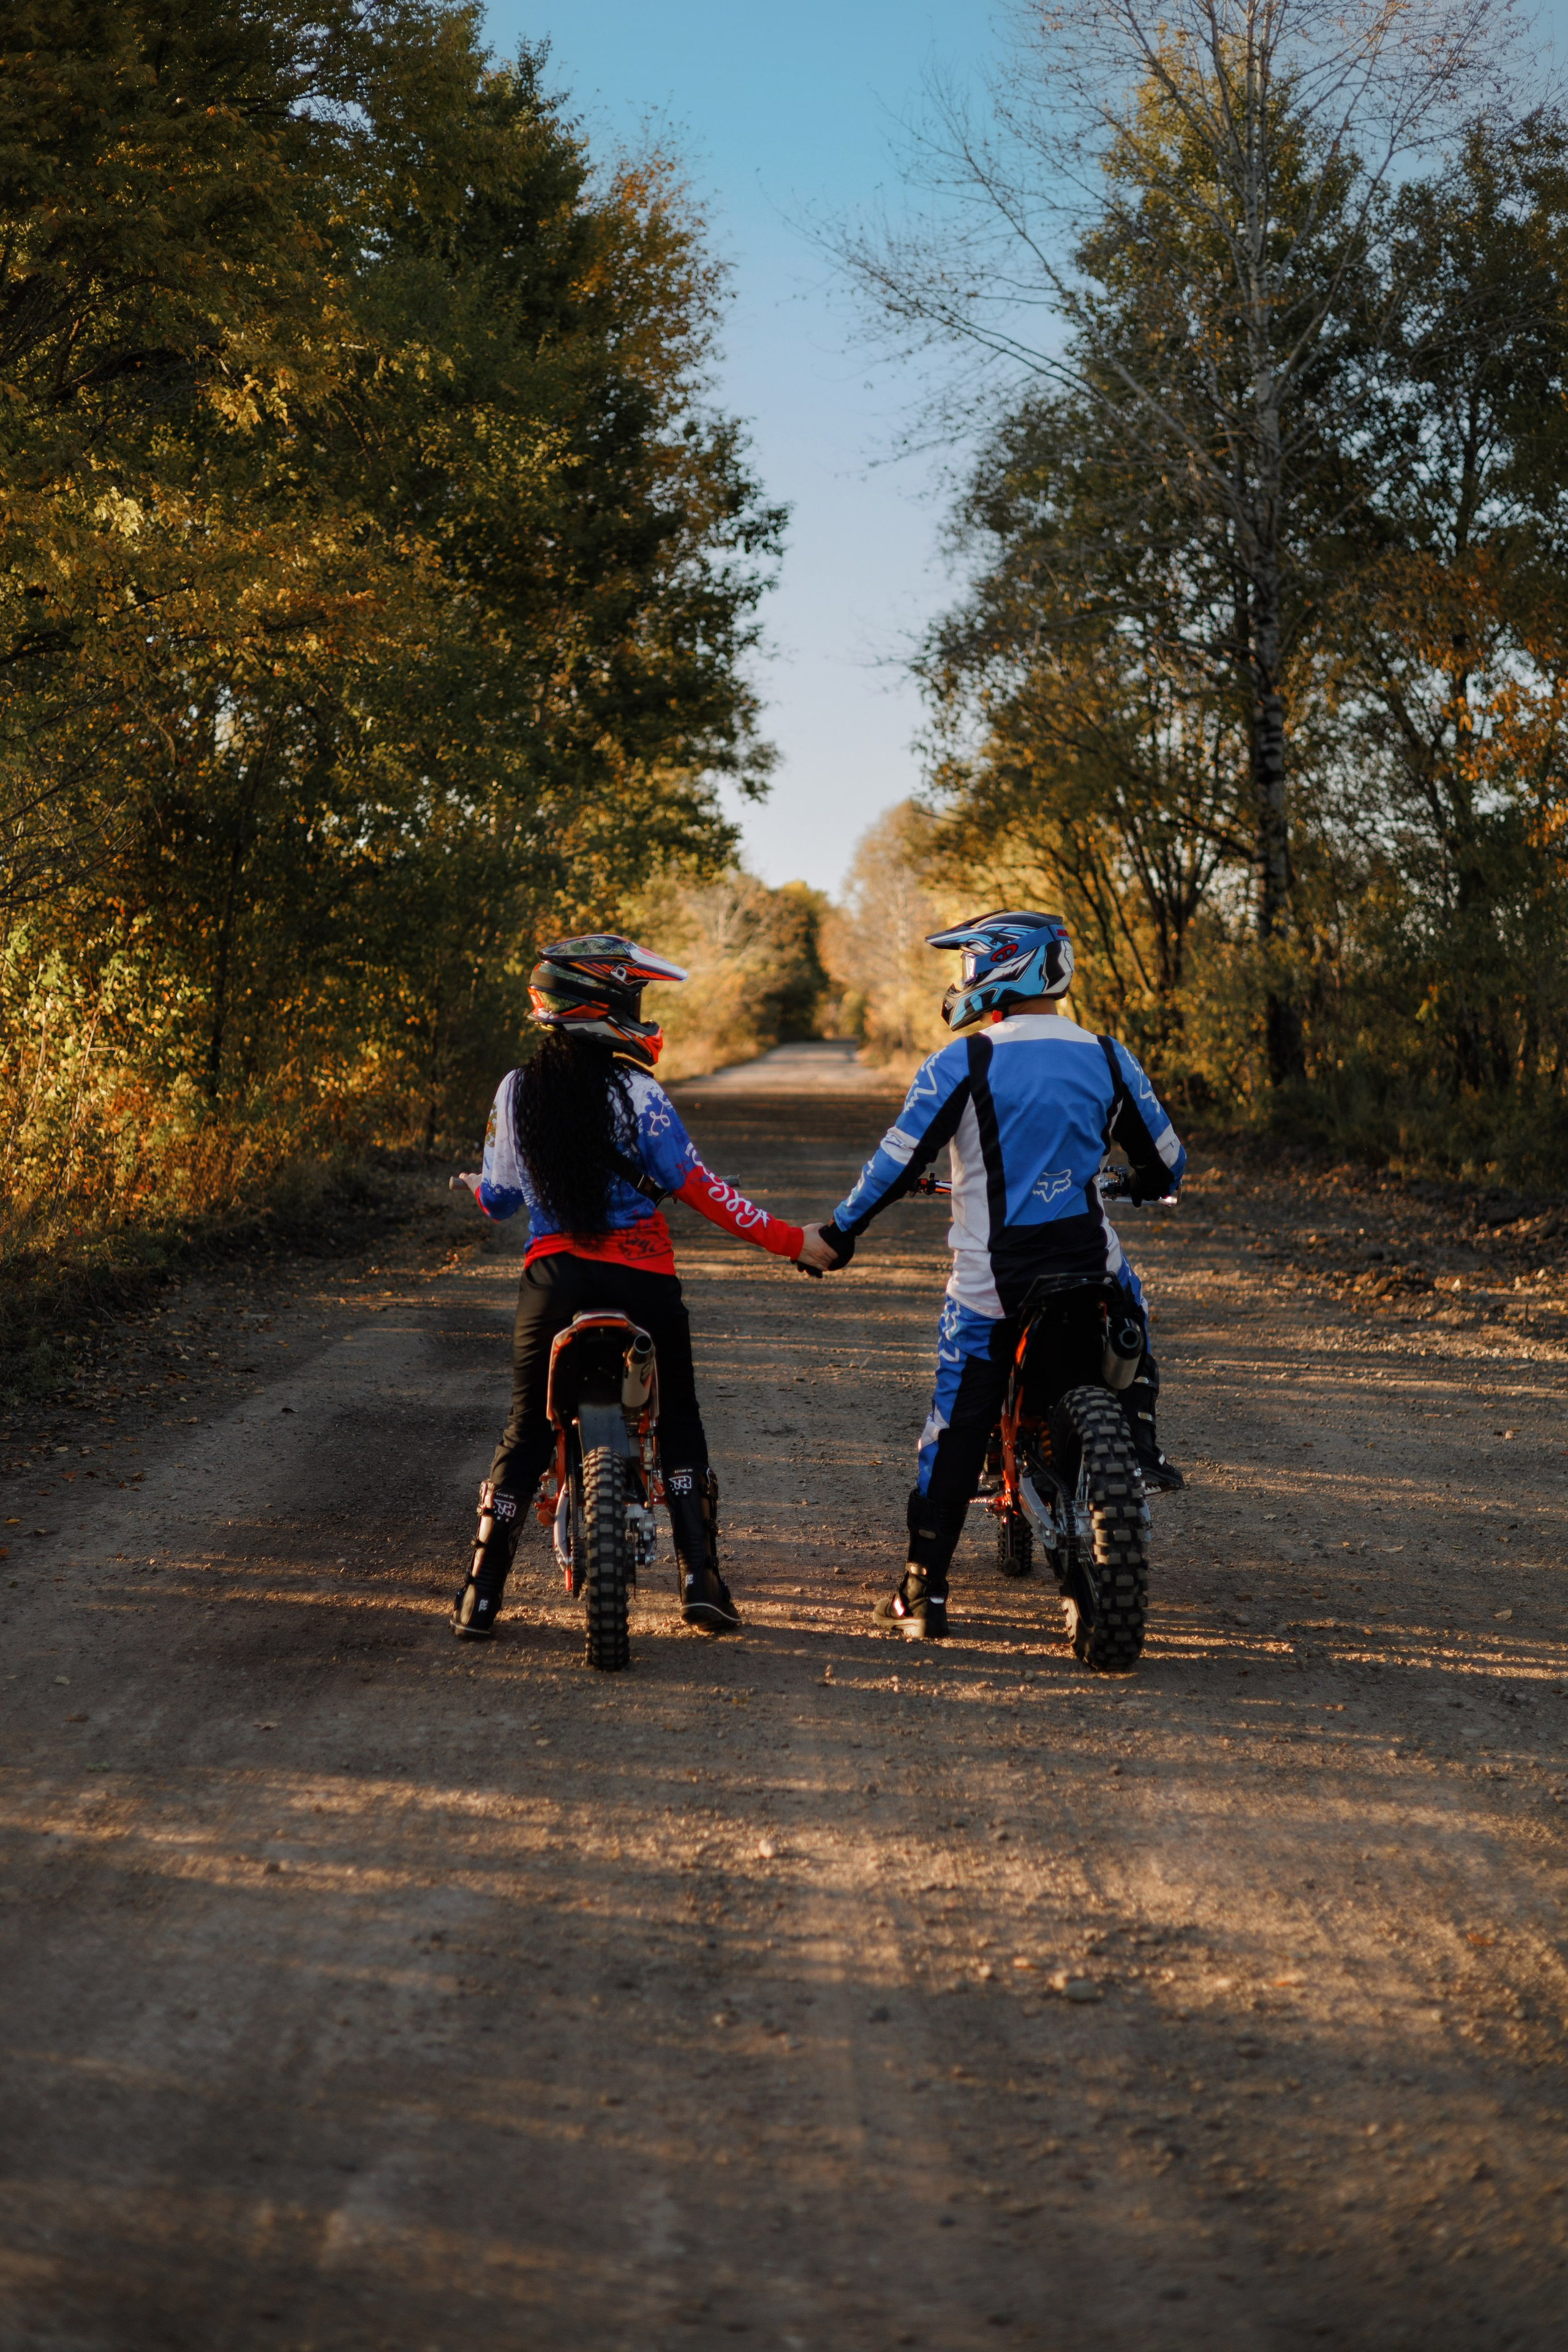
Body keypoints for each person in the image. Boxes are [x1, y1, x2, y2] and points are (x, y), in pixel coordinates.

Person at [804, 911, 1185, 1640]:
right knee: (1129, 1310)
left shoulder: (963, 1061)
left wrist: (840, 1231)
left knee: (955, 1426)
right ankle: (1139, 1440)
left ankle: (923, 1592)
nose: (963, 981)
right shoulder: (1109, 1057)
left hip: (994, 1283)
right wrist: (1137, 1182)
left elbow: (896, 1163)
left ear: (1001, 969)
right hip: (1088, 1265)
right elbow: (1167, 1163)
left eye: (969, 967)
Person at [451, 934, 812, 1640]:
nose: (643, 1017)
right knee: (678, 1419)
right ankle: (700, 1579)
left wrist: (476, 1188)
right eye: (635, 1001)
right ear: (605, 1008)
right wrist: (795, 1241)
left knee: (526, 1429)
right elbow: (703, 1190)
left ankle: (481, 1594)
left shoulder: (516, 1090)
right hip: (642, 1279)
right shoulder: (639, 1093)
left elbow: (499, 1200)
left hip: (554, 1281)